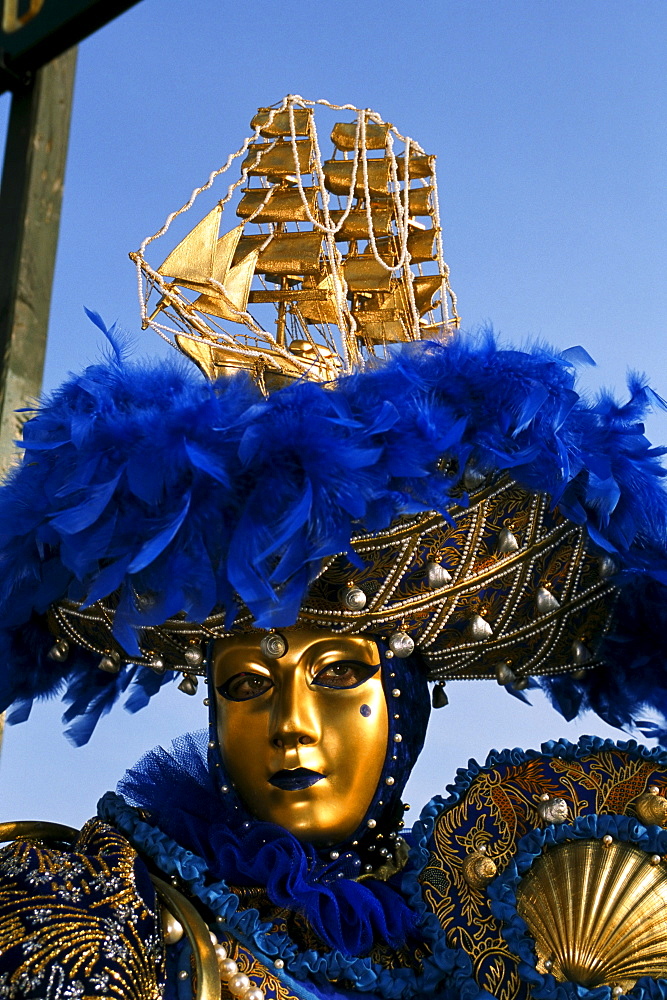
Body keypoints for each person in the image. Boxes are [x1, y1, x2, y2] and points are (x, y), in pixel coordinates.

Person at [1, 95, 667, 1000]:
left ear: (407, 696)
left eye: (341, 673)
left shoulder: (506, 928)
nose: (290, 724)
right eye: (244, 682)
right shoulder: (104, 922)